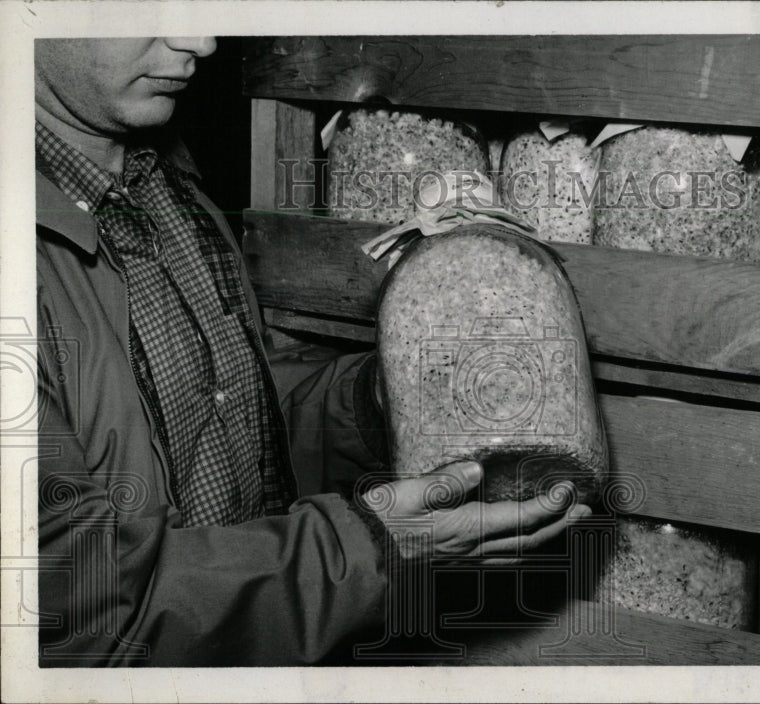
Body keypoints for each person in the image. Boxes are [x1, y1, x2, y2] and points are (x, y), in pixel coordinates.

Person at [34, 37, 591, 667]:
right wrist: (371, 548)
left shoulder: (165, 185)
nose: (200, 38)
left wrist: (383, 400)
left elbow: (225, 422)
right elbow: (75, 622)